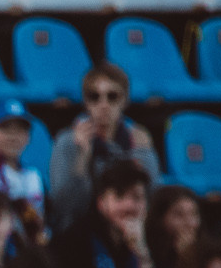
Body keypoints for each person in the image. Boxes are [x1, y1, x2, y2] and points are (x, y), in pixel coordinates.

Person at [46, 64, 158, 230]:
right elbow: (66, 207)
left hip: (127, 228)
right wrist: (82, 156)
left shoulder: (137, 140)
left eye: (112, 96)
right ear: (86, 102)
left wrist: (143, 153)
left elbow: (153, 197)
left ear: (125, 100)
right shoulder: (68, 141)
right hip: (81, 232)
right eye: (94, 97)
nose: (103, 104)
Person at [0, 103, 44, 234]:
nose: (13, 136)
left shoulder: (33, 175)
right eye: (6, 128)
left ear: (28, 137)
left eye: (20, 129)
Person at [145, 184, 202, 268]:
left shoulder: (207, 255)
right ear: (160, 219)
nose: (190, 223)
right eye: (179, 215)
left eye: (194, 214)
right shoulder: (147, 252)